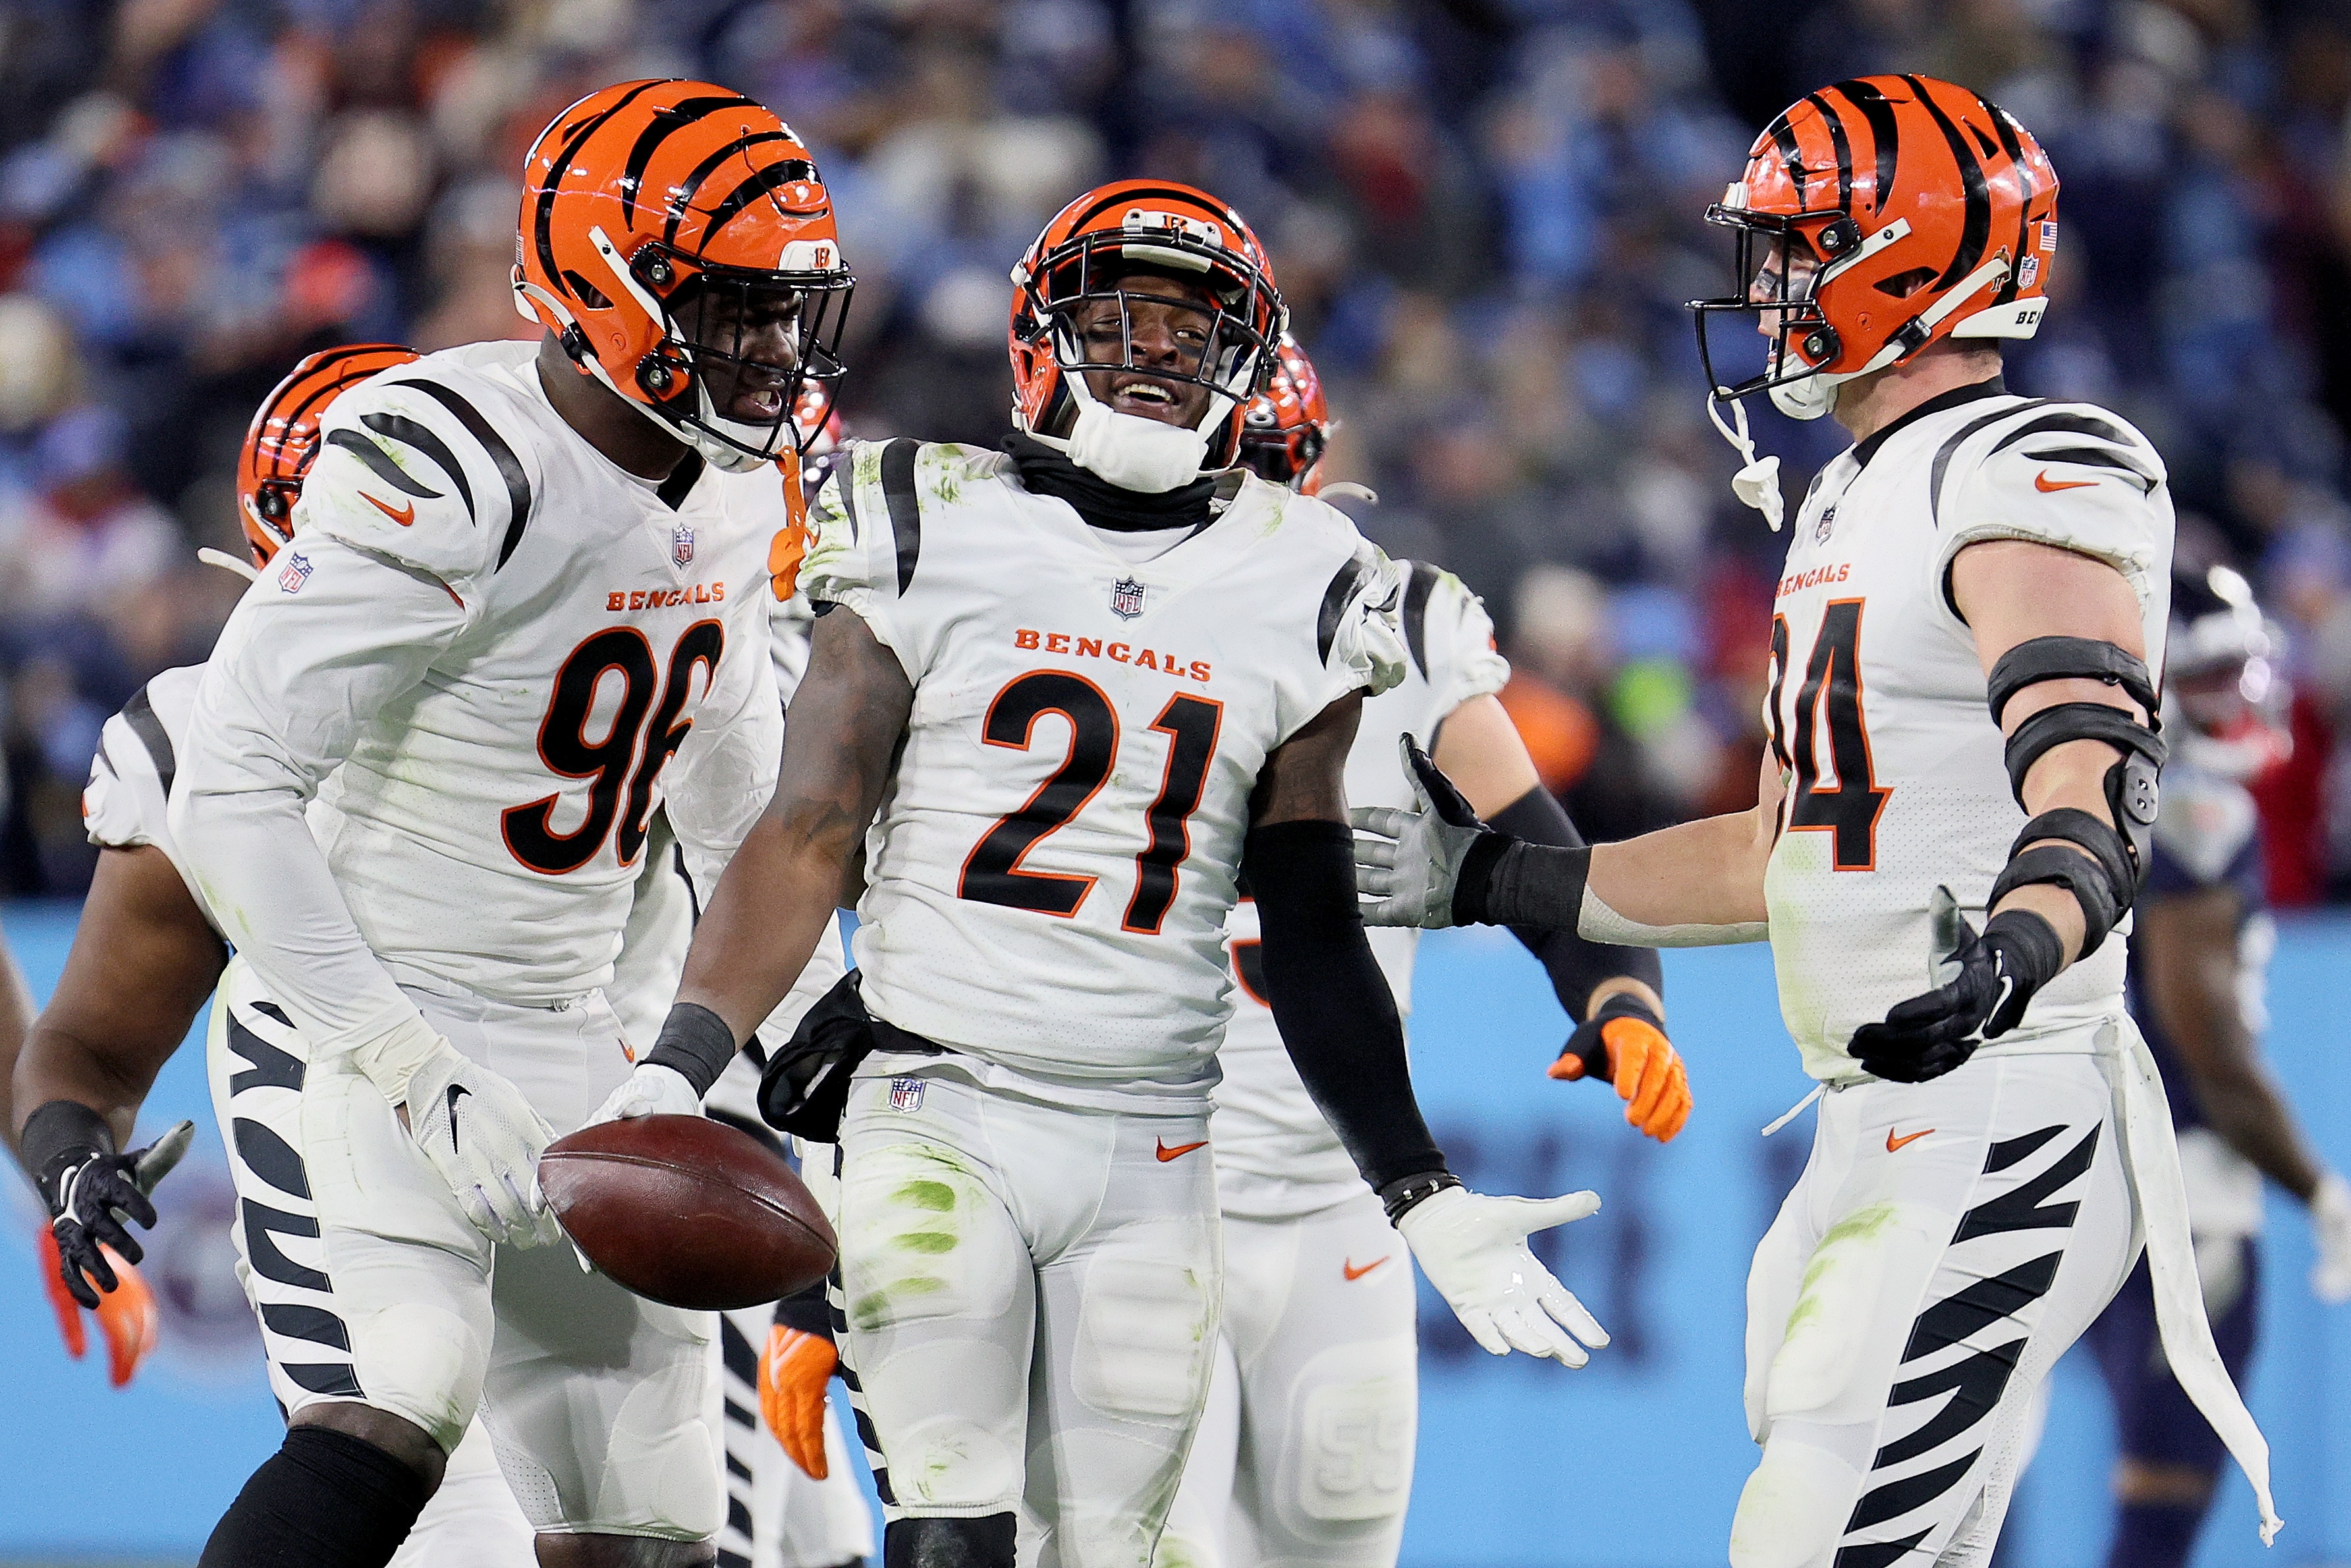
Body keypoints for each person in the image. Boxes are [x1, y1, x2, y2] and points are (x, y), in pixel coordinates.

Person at [604, 178, 1610, 1568]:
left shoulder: (1307, 575)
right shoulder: (923, 512)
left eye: (1194, 334)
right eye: (1124, 319)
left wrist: (1416, 1187)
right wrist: (680, 1062)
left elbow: (1312, 928)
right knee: (950, 1529)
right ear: (1043, 338)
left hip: (1150, 1133)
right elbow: (808, 829)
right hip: (935, 1095)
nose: (1158, 355)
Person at [1350, 75, 2279, 1567]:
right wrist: (1491, 879)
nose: (1768, 285)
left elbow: (2094, 774)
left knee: (1813, 1533)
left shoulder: (2028, 462)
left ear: (1905, 263)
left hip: (2005, 1095)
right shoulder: (1850, 496)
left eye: (1797, 247)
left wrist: (2017, 948)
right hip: (1876, 1107)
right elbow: (1773, 854)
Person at [111, 80, 848, 1567]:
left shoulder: (728, 492)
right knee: (396, 1406)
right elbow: (230, 786)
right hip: (363, 1027)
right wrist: (409, 1062)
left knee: (647, 1526)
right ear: (606, 287)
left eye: (787, 310)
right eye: (733, 307)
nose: (773, 349)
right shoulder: (455, 459)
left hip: (577, 1037)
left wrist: (780, 1054)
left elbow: (741, 823)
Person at [1156, 337, 1690, 1568]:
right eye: (1228, 464)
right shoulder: (1075, 619)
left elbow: (1549, 867)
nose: (1251, 499)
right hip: (1132, 1196)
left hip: (1336, 1202)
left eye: (1270, 463)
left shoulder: (1394, 629)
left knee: (1336, 1544)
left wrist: (1621, 995)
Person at [8, 342, 539, 1566]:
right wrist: (67, 1160)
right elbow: (89, 1049)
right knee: (458, 1517)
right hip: (372, 1219)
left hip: (571, 1199)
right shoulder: (201, 736)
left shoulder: (615, 680)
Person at [2081, 564, 2351, 1568]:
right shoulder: (2190, 811)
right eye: (2208, 677)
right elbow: (2207, 1040)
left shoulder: (2078, 794)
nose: (2239, 698)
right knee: (2161, 1510)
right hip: (2179, 1192)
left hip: (2091, 1167)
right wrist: (2316, 1186)